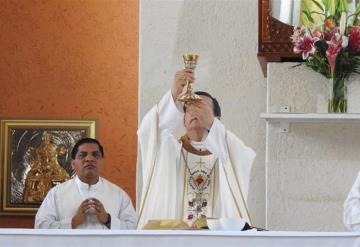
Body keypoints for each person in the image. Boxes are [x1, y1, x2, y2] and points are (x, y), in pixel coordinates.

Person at [136, 69, 256, 229]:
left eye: (202, 107)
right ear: (183, 121)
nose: (194, 112)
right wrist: (174, 95)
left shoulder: (228, 151)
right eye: (189, 109)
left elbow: (242, 155)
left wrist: (211, 125)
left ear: (216, 119)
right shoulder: (169, 150)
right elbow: (148, 131)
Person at [35, 138, 136, 229]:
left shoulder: (118, 194)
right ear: (73, 164)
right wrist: (72, 222)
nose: (89, 159)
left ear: (102, 162)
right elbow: (40, 226)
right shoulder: (56, 194)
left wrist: (108, 220)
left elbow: (134, 227)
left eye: (95, 155)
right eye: (82, 155)